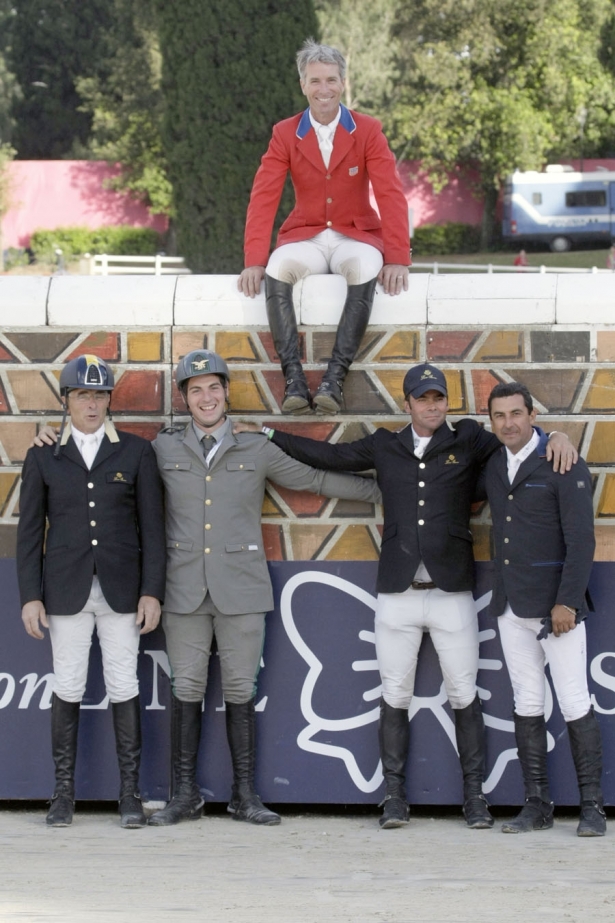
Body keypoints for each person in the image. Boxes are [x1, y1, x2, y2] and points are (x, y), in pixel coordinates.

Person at [37, 350, 381, 826]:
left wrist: (392, 490)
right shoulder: (161, 448)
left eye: (214, 388)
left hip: (241, 588)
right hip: (182, 590)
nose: (206, 397)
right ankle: (185, 796)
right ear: (184, 398)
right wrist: (53, 437)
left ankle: (244, 795)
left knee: (241, 688)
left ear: (225, 393)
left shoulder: (254, 448)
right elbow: (98, 464)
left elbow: (316, 480)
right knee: (188, 689)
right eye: (195, 389)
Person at [233, 363, 577, 830]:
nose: (432, 406)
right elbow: (329, 457)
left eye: (438, 398)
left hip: (451, 591)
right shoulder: (384, 444)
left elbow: (518, 436)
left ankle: (474, 798)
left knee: (463, 694)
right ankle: (394, 798)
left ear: (447, 404)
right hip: (396, 593)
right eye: (423, 399)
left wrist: (556, 433)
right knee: (394, 694)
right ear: (408, 403)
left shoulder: (470, 438)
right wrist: (271, 434)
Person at [18, 355, 166, 829]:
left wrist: (151, 591)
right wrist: (30, 596)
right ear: (67, 400)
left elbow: (153, 530)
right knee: (69, 685)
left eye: (100, 395)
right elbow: (28, 533)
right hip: (65, 590)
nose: (92, 404)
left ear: (108, 401)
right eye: (83, 394)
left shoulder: (135, 453)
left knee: (126, 685)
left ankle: (129, 793)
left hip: (122, 591)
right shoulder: (44, 455)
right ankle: (63, 794)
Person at [238, 39, 410, 415]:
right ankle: (294, 379)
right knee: (275, 269)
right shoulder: (285, 133)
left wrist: (397, 257)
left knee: (366, 266)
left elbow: (391, 194)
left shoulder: (367, 129)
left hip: (356, 235)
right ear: (303, 85)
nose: (324, 89)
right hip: (308, 235)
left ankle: (335, 378)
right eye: (315, 81)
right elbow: (263, 196)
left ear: (343, 83)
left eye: (331, 80)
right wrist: (254, 259)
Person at [483, 381, 604, 837]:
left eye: (517, 413)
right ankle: (537, 804)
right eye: (500, 416)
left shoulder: (562, 460)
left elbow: (581, 540)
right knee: (527, 703)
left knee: (574, 702)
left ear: (532, 415)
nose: (509, 423)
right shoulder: (494, 463)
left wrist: (567, 601)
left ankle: (591, 806)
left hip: (557, 607)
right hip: (511, 604)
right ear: (491, 420)